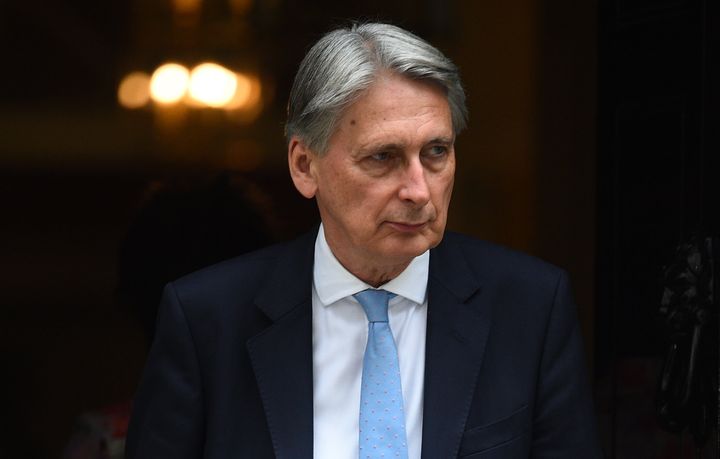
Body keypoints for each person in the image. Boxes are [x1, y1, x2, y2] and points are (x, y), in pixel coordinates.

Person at [126, 22, 602, 458]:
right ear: (304, 166)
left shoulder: (531, 307)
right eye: (382, 157)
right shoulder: (208, 320)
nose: (419, 190)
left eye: (436, 152)